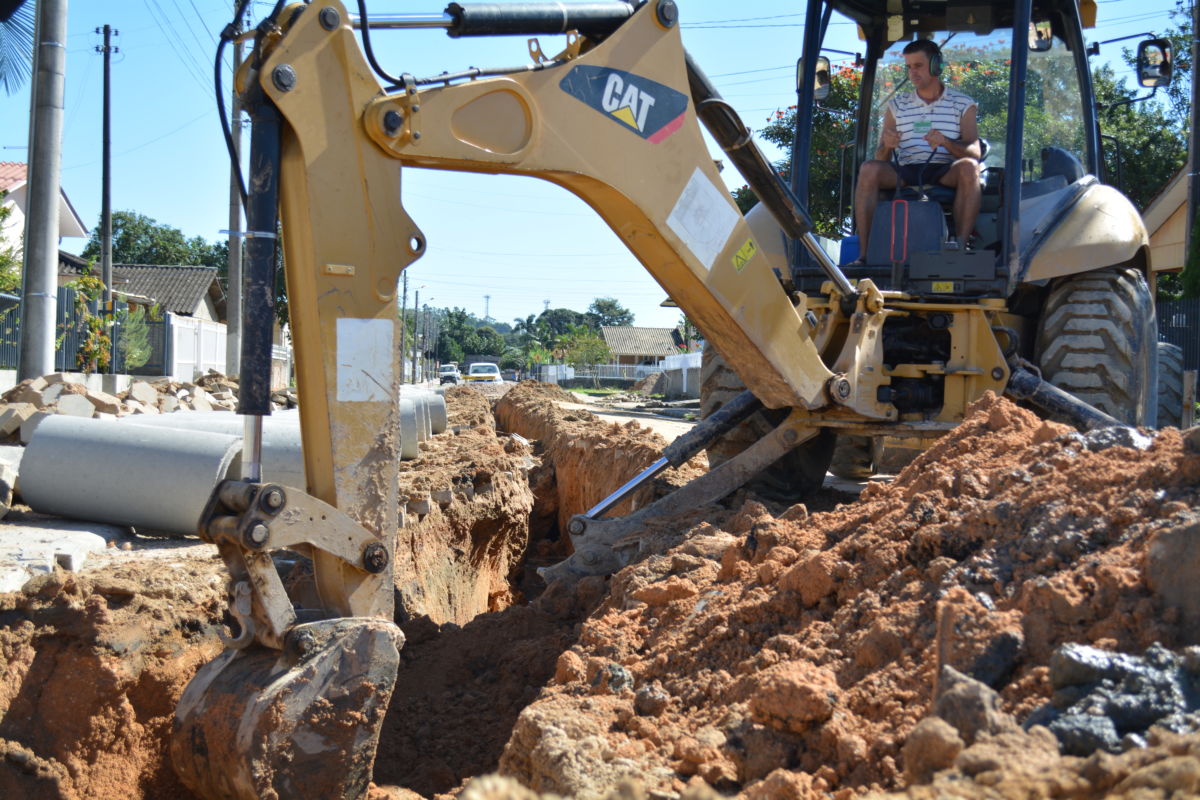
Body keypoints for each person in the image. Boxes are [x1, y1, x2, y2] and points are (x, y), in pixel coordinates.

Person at [852, 39, 982, 260]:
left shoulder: (963, 104)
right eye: (909, 67)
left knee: (969, 167)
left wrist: (946, 143)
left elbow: (974, 152)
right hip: (906, 169)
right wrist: (888, 146)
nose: (912, 72)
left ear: (935, 66)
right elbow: (880, 156)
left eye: (918, 65)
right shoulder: (897, 106)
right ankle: (865, 255)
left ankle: (960, 249)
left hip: (945, 169)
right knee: (868, 168)